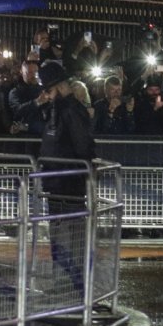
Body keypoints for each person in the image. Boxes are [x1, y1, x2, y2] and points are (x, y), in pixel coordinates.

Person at [38, 61, 96, 294]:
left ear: (59, 87)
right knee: (62, 237)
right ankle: (66, 284)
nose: (47, 96)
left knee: (69, 238)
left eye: (49, 91)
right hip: (59, 183)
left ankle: (72, 286)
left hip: (68, 184)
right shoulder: (62, 109)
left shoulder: (70, 110)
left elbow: (82, 147)